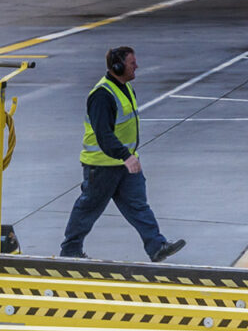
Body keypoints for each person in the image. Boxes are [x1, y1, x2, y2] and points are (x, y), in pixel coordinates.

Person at [61, 46, 187, 262]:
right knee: (89, 207)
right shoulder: (102, 95)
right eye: (132, 63)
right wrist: (126, 156)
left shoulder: (125, 88)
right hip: (102, 165)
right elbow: (103, 134)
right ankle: (70, 249)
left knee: (138, 205)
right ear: (118, 66)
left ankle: (157, 246)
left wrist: (129, 156)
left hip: (124, 163)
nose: (136, 66)